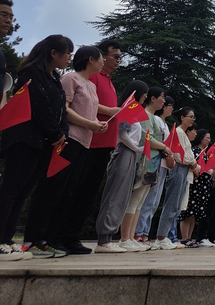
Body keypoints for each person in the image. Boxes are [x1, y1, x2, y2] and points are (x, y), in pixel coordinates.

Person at [0, 34, 72, 260]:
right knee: (10, 190)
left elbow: (59, 110)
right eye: (67, 53)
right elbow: (39, 108)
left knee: (23, 191)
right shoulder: (32, 74)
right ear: (53, 53)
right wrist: (55, 133)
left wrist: (62, 132)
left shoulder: (55, 78)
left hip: (43, 142)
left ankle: (6, 239)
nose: (69, 58)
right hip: (24, 140)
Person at [44, 46, 108, 255]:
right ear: (91, 59)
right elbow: (64, 108)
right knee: (60, 189)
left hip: (85, 143)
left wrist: (97, 123)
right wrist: (89, 124)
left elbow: (88, 111)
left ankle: (68, 237)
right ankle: (50, 237)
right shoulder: (71, 79)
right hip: (70, 139)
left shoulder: (91, 85)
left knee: (74, 191)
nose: (103, 63)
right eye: (101, 59)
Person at [73, 39, 123, 246]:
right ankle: (63, 235)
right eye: (115, 56)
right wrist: (110, 111)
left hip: (104, 143)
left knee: (89, 192)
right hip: (89, 141)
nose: (119, 60)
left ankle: (71, 236)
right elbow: (85, 101)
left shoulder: (109, 80)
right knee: (78, 189)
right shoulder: (93, 76)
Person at [95, 80, 148, 253]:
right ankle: (104, 238)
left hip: (131, 154)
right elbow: (123, 134)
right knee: (115, 194)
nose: (145, 97)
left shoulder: (132, 110)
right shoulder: (127, 109)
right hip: (124, 152)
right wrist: (137, 148)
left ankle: (109, 236)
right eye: (144, 93)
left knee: (122, 195)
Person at [118, 87, 172, 251]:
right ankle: (125, 238)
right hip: (145, 160)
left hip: (152, 161)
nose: (164, 101)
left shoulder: (152, 118)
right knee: (135, 200)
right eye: (162, 97)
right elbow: (145, 137)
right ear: (153, 98)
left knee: (140, 202)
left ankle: (131, 237)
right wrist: (165, 147)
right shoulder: (144, 115)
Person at [154, 107, 198, 249]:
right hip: (178, 168)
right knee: (172, 203)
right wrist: (192, 162)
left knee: (177, 205)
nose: (192, 119)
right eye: (190, 116)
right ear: (182, 117)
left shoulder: (183, 133)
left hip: (184, 170)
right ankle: (161, 236)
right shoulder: (178, 132)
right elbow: (178, 154)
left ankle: (166, 235)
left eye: (193, 117)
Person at [136, 95, 175, 245]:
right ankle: (139, 232)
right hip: (154, 161)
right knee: (147, 199)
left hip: (163, 163)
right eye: (164, 100)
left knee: (154, 201)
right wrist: (166, 150)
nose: (167, 104)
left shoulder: (164, 123)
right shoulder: (155, 119)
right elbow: (153, 140)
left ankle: (145, 231)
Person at [179, 129, 214, 244]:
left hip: (203, 186)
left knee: (195, 213)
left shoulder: (205, 152)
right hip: (195, 184)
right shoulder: (195, 151)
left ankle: (189, 237)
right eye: (207, 137)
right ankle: (184, 238)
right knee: (188, 211)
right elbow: (193, 164)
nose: (209, 140)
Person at [197, 131, 215, 247]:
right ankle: (204, 236)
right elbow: (213, 167)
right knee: (209, 211)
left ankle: (211, 237)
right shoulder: (213, 150)